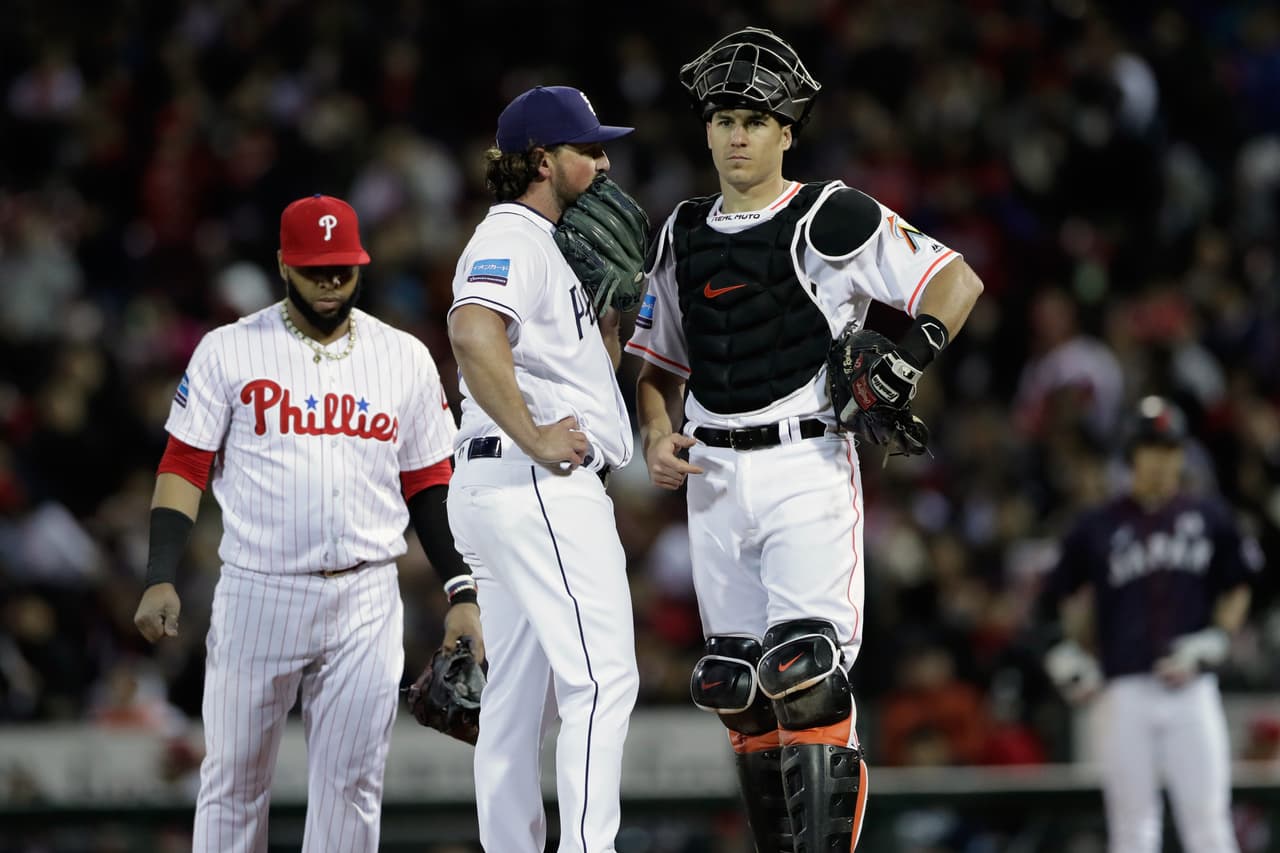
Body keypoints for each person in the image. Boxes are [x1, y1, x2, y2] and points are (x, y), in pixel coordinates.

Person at [626, 27, 984, 852]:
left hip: (804, 459)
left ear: (788, 129)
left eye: (754, 118)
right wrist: (653, 432)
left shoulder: (832, 211)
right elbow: (655, 363)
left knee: (806, 670)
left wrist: (911, 355)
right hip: (712, 468)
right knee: (736, 687)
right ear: (706, 130)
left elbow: (953, 281)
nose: (738, 134)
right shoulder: (679, 229)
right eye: (723, 118)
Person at [132, 193, 483, 853]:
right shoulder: (228, 351)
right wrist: (159, 575)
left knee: (351, 785)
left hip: (366, 595)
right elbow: (182, 464)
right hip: (260, 589)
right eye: (315, 268)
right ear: (282, 264)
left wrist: (461, 589)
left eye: (341, 269)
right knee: (234, 780)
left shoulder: (402, 355)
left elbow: (429, 484)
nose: (329, 282)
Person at [445, 86, 639, 853]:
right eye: (587, 149)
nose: (603, 161)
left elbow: (581, 375)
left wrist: (612, 317)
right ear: (540, 160)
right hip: (537, 488)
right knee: (602, 680)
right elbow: (470, 328)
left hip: (506, 492)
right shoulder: (514, 238)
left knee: (515, 703)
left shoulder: (547, 246)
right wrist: (530, 433)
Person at [1040, 395, 1262, 853]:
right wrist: (1061, 650)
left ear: (1180, 454)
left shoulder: (1209, 516)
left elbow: (1240, 584)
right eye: (1150, 449)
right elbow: (1050, 597)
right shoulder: (1097, 525)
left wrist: (1219, 637)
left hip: (1191, 687)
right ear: (1132, 456)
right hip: (1123, 690)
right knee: (1133, 830)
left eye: (1168, 449)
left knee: (1209, 825)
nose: (1160, 461)